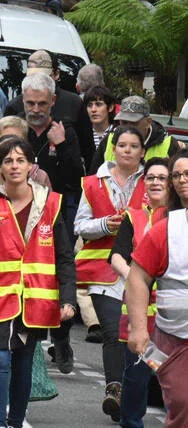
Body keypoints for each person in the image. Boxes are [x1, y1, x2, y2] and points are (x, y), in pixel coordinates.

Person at [0, 136, 77, 428]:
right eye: (8, 160)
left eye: (21, 160)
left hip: (35, 298)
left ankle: (14, 420)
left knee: (22, 363)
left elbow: (64, 255)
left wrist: (68, 299)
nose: (14, 166)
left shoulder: (51, 202)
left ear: (31, 165)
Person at [75, 124, 146, 418]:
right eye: (122, 145)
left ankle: (131, 395)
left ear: (142, 151)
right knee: (113, 328)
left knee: (137, 332)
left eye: (133, 146)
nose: (127, 150)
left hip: (141, 269)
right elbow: (79, 226)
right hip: (102, 269)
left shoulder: (153, 179)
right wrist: (105, 225)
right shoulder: (93, 182)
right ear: (113, 149)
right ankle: (114, 388)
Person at [109, 156, 171, 428]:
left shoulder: (179, 218)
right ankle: (132, 423)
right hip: (139, 316)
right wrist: (137, 278)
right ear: (143, 183)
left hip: (173, 316)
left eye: (162, 178)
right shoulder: (132, 218)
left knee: (172, 377)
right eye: (151, 177)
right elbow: (116, 256)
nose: (156, 182)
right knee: (137, 376)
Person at [125, 154, 188, 424]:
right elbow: (138, 277)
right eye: (177, 175)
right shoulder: (166, 230)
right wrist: (138, 329)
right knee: (183, 402)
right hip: (173, 339)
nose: (182, 179)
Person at [91, 95, 183, 169]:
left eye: (133, 123)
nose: (128, 128)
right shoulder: (109, 141)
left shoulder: (168, 144)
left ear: (148, 122)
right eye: (123, 122)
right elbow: (93, 180)